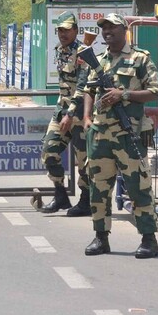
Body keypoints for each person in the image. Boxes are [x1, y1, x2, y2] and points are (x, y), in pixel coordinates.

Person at [77, 13, 158, 259]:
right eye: (104, 28)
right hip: (100, 133)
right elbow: (88, 90)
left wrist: (123, 94)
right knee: (98, 188)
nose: (107, 31)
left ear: (124, 30)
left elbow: (154, 91)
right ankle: (101, 237)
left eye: (112, 27)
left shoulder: (140, 58)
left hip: (129, 133)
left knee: (138, 187)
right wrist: (87, 118)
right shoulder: (97, 60)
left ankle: (148, 239)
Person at [40, 11, 91, 216]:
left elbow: (83, 86)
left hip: (78, 113)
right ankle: (60, 195)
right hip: (62, 110)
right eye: (60, 30)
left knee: (84, 160)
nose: (63, 33)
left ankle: (85, 202)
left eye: (67, 30)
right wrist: (65, 112)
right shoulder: (59, 51)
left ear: (76, 31)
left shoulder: (84, 52)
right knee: (49, 150)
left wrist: (71, 114)